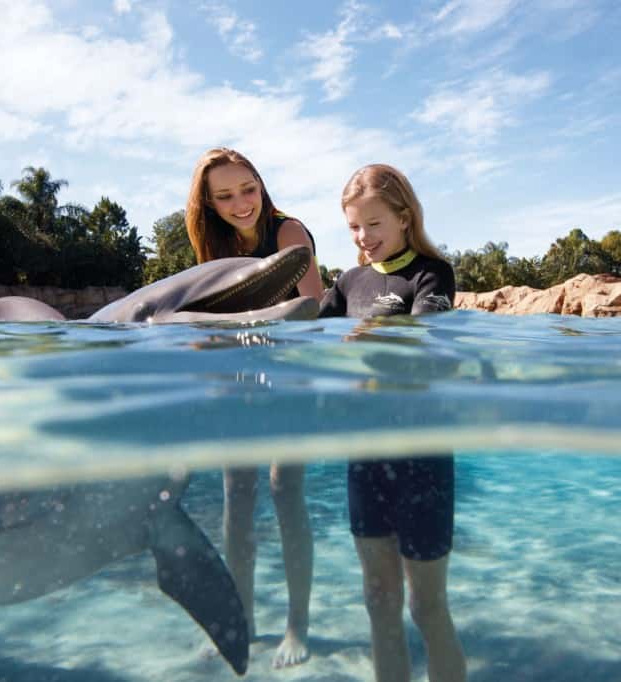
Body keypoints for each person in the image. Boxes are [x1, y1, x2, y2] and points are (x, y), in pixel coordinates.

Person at [319, 164, 466, 682]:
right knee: (379, 602)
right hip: (366, 453)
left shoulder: (432, 272)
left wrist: (373, 335)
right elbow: (305, 334)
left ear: (404, 217)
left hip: (421, 453)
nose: (364, 238)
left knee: (426, 607)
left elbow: (426, 333)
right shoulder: (347, 282)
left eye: (374, 224)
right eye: (355, 228)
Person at [185, 147, 323, 669]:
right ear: (208, 205)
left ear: (260, 184)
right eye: (225, 196)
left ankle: (297, 625)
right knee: (235, 503)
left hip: (291, 374)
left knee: (284, 492)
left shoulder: (288, 233)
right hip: (240, 381)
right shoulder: (215, 244)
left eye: (249, 188)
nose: (242, 203)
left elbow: (307, 311)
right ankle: (239, 620)